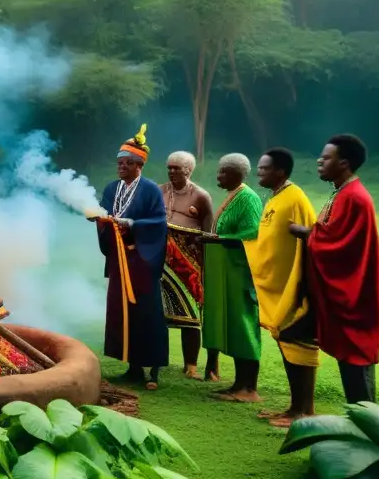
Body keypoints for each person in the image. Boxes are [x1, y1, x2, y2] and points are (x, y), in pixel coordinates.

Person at [289, 135, 379, 404]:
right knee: (351, 365)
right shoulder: (342, 192)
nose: (319, 161)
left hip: (356, 297)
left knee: (357, 364)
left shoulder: (355, 198)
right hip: (349, 297)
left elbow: (339, 245)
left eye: (326, 158)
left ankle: (368, 428)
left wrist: (304, 232)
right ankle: (364, 423)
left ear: (344, 162)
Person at [92, 124, 169, 391]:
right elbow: (104, 212)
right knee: (122, 313)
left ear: (139, 165)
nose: (120, 167)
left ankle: (153, 371)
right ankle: (133, 368)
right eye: (119, 163)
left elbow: (159, 222)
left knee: (147, 313)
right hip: (118, 260)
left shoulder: (150, 189)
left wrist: (131, 224)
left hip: (142, 262)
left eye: (126, 163)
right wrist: (100, 220)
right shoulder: (112, 189)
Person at [250, 148, 319, 428]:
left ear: (280, 171)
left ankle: (305, 411)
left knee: (300, 345)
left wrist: (301, 285)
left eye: (264, 169)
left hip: (295, 289)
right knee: (286, 345)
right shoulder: (275, 196)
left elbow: (311, 242)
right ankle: (294, 408)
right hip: (277, 290)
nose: (259, 173)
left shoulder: (295, 199)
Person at [201, 153, 263, 403]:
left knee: (245, 327)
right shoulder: (234, 196)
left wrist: (217, 240)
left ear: (237, 174)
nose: (218, 176)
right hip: (229, 274)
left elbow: (252, 232)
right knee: (236, 329)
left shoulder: (248, 198)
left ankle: (249, 388)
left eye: (223, 172)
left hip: (241, 275)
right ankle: (239, 384)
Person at [159, 151, 214, 380]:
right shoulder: (159, 191)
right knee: (158, 311)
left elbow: (208, 231)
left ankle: (190, 365)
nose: (172, 172)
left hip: (188, 264)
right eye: (169, 167)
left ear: (188, 171)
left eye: (176, 168)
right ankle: (158, 359)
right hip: (161, 259)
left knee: (190, 314)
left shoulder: (200, 196)